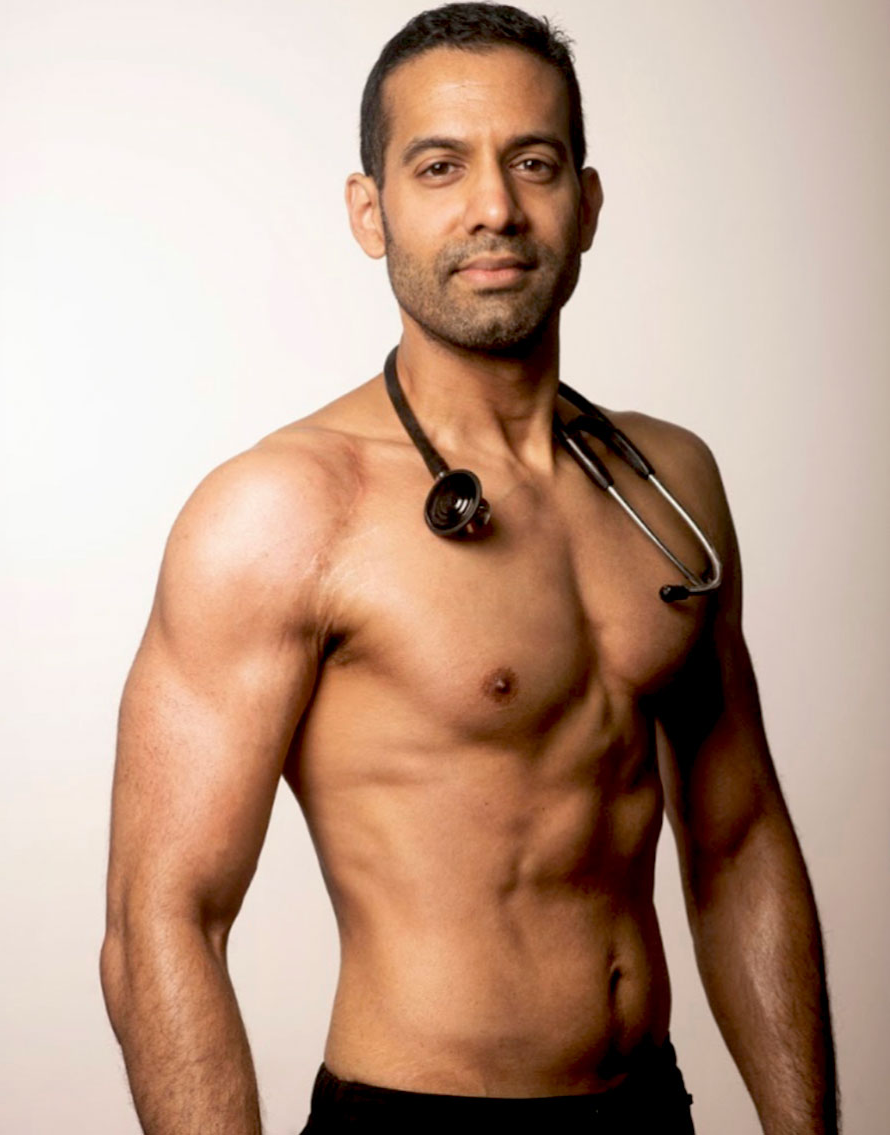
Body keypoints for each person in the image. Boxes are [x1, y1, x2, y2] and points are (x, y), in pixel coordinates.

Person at [99, 4, 839, 1133]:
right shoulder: (284, 509)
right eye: (439, 166)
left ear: (587, 203)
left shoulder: (670, 484)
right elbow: (162, 921)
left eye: (533, 162)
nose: (494, 206)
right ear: (370, 210)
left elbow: (740, 846)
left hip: (651, 1105)